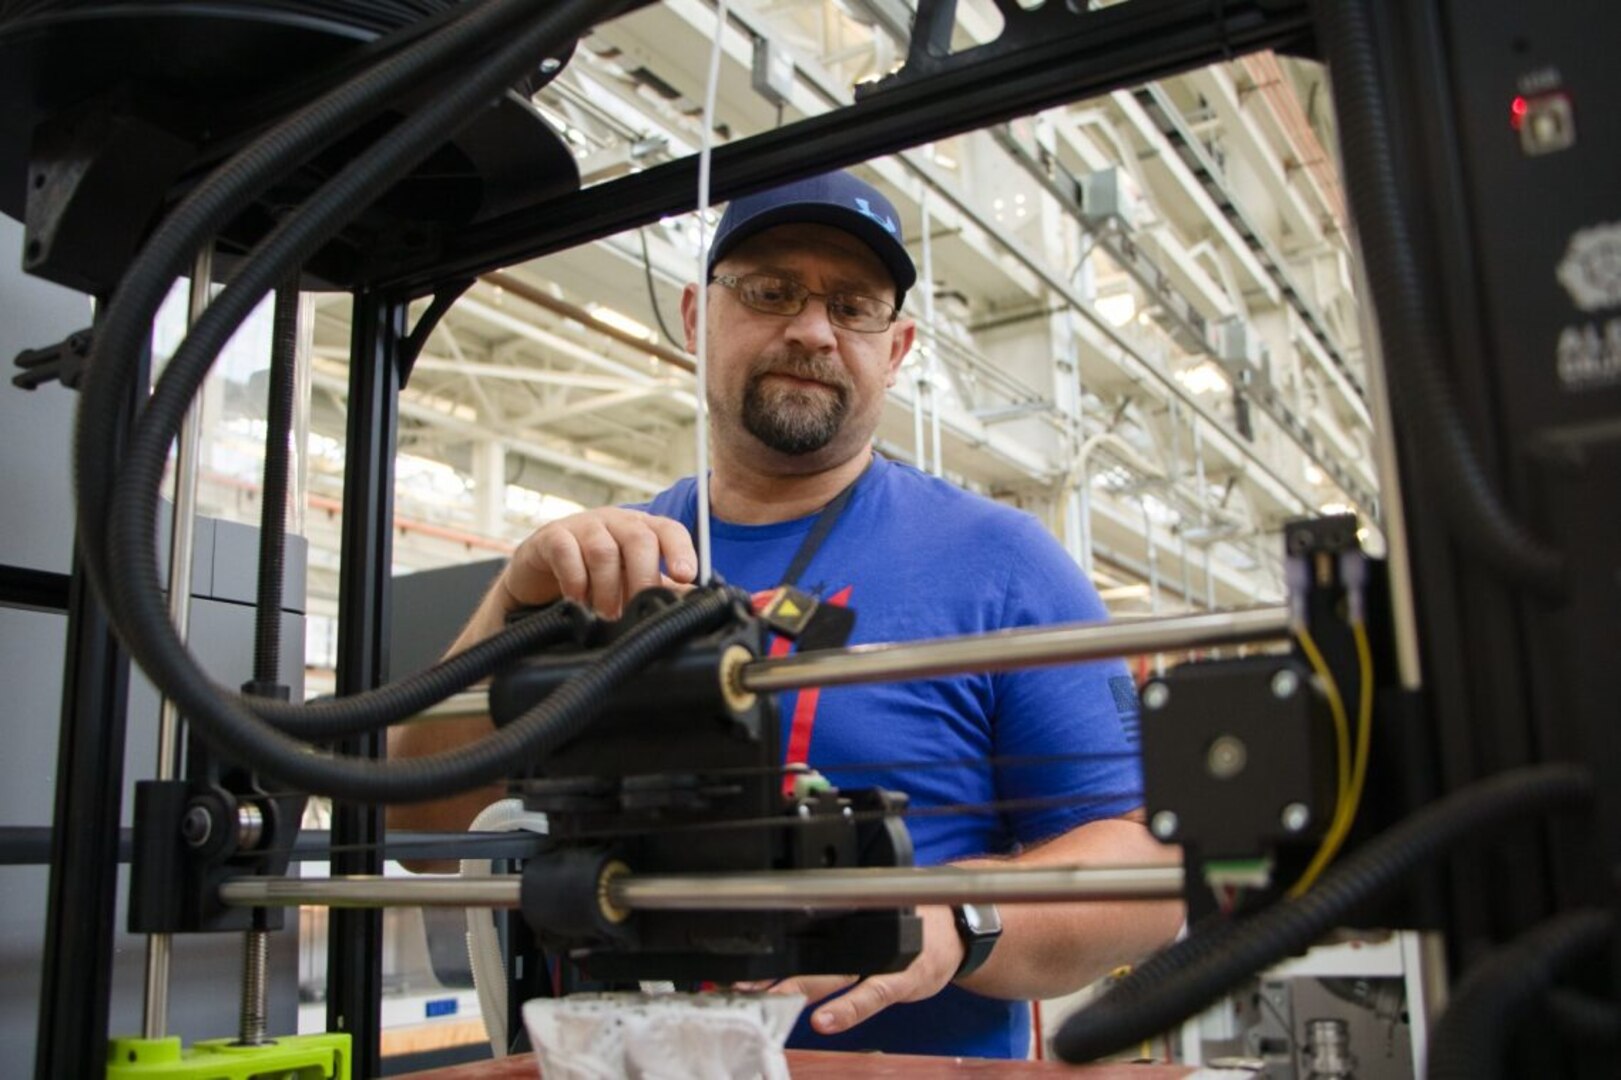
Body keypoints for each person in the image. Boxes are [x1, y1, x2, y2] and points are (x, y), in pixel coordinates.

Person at [391, 170, 1183, 1058]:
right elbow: (415, 832)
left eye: (853, 307)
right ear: (697, 319)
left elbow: (1151, 874)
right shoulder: (611, 569)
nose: (811, 330)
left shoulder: (1000, 564)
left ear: (896, 347)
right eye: (770, 292)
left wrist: (964, 912)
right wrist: (514, 600)